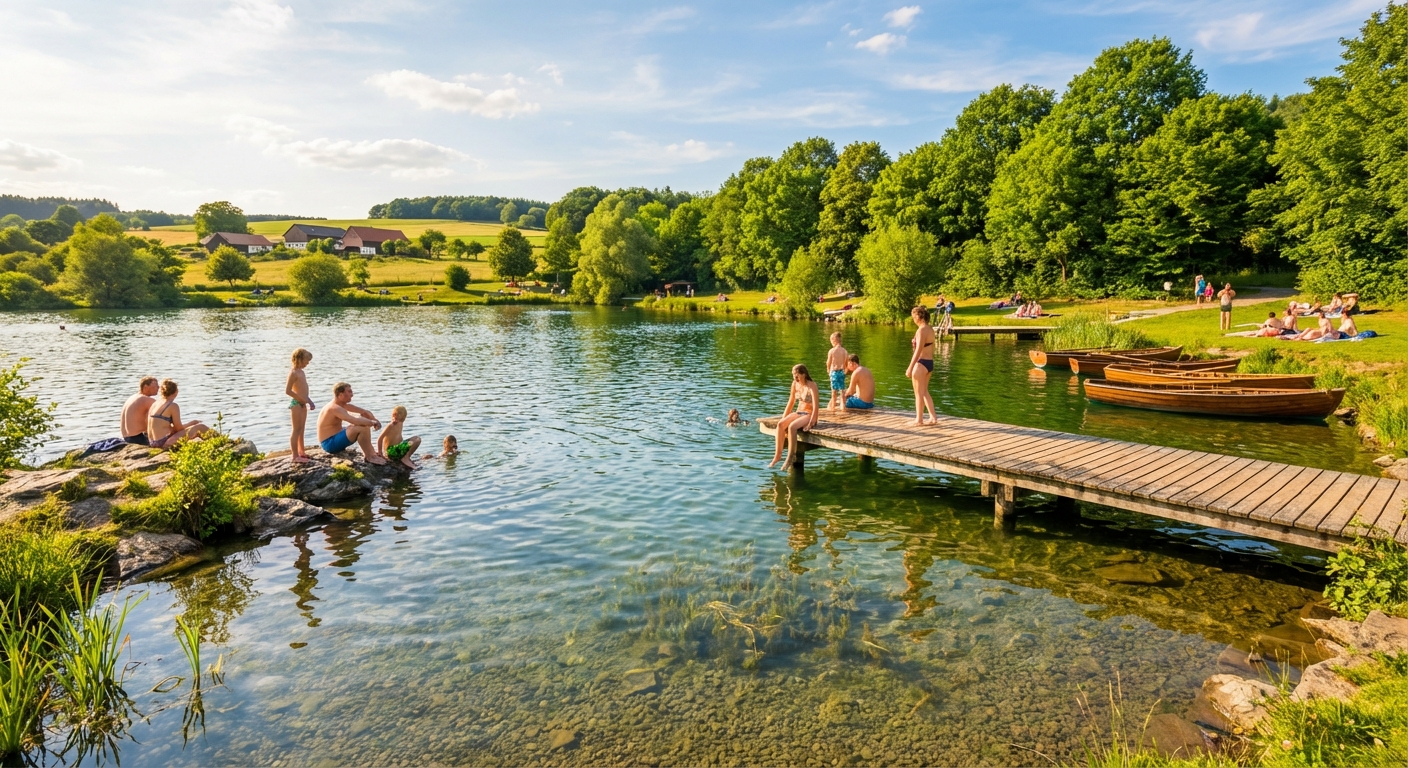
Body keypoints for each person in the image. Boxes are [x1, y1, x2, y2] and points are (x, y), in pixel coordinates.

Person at [316, 382, 386, 464]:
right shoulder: (334, 408)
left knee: (363, 423)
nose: (352, 394)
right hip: (329, 443)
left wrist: (374, 419)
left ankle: (372, 453)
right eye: (349, 392)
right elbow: (354, 420)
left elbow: (364, 412)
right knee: (361, 427)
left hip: (336, 437)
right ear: (341, 394)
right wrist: (372, 422)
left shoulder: (341, 405)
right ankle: (369, 456)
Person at [767, 364, 819, 470]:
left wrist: (812, 422)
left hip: (809, 414)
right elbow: (791, 401)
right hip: (799, 412)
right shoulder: (795, 384)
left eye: (797, 375)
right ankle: (777, 455)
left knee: (792, 427)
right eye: (793, 375)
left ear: (803, 374)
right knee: (780, 424)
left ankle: (790, 457)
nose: (795, 377)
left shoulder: (812, 385)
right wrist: (784, 417)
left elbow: (816, 405)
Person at [147, 379, 209, 449]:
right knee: (200, 427)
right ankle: (221, 442)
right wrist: (192, 423)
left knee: (195, 428)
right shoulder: (172, 405)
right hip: (163, 442)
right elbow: (179, 429)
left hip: (152, 442)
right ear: (176, 392)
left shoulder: (155, 404)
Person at [906, 306, 938, 426]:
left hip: (921, 364)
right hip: (929, 363)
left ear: (919, 316)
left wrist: (910, 367)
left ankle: (918, 420)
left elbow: (918, 350)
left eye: (914, 316)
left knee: (918, 393)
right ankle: (933, 417)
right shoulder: (930, 329)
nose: (913, 319)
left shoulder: (921, 330)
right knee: (924, 391)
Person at [286, 348, 315, 464]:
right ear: (299, 359)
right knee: (296, 430)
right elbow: (288, 391)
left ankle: (301, 451)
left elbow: (303, 391)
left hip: (303, 404)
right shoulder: (293, 373)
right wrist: (301, 399)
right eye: (306, 361)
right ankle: (295, 455)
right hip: (296, 404)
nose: (307, 364)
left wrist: (309, 401)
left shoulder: (302, 372)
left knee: (302, 429)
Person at [377, 405, 422, 470]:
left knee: (417, 439)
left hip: (397, 449)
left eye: (403, 418)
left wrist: (405, 445)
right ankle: (404, 458)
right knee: (415, 440)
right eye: (400, 417)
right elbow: (380, 438)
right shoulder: (390, 425)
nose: (402, 419)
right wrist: (380, 453)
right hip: (391, 451)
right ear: (394, 415)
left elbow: (399, 438)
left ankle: (406, 457)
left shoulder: (400, 423)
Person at [121, 376, 159, 445]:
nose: (158, 388)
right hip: (137, 438)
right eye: (155, 386)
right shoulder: (147, 400)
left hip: (126, 437)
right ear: (145, 387)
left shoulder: (132, 397)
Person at [825, 331, 848, 411]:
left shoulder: (831, 351)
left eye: (831, 341)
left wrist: (828, 369)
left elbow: (829, 362)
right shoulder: (844, 351)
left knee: (834, 391)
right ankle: (843, 406)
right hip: (841, 372)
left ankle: (833, 407)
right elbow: (846, 364)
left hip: (834, 372)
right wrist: (845, 371)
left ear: (834, 341)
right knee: (842, 390)